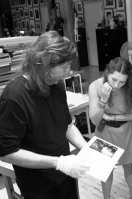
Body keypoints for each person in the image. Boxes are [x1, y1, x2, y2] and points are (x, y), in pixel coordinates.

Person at [0, 31, 90, 199]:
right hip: (39, 184)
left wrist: (87, 149)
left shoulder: (56, 85)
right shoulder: (14, 96)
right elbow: (6, 152)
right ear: (43, 63)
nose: (67, 72)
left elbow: (67, 125)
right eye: (64, 68)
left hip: (66, 174)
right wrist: (58, 162)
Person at [89, 57, 132, 199]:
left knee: (129, 166)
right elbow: (94, 120)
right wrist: (103, 100)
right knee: (105, 169)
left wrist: (112, 117)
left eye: (122, 81)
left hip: (127, 131)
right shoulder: (95, 86)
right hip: (104, 131)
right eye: (114, 79)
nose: (117, 85)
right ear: (107, 72)